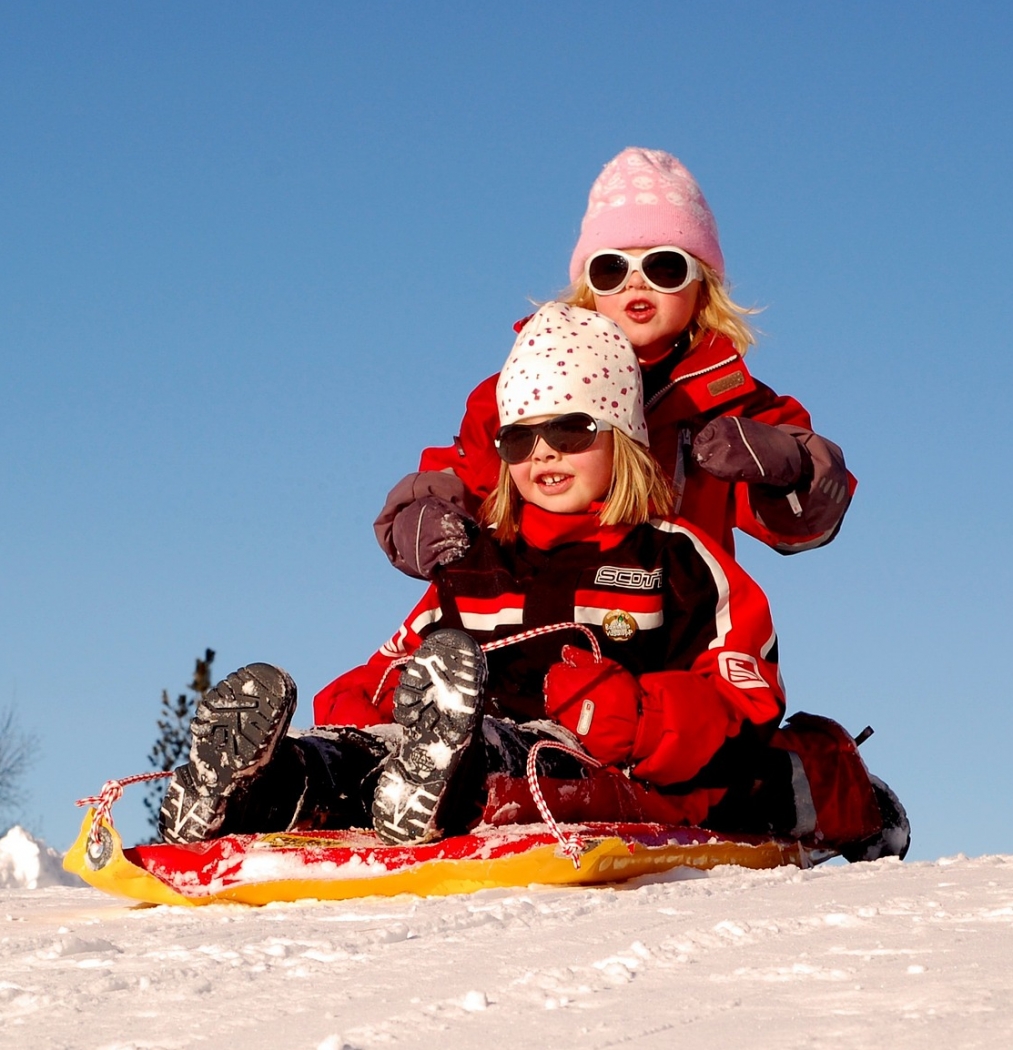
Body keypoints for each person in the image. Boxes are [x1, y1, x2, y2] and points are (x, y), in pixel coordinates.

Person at [160, 304, 907, 861]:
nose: (543, 451)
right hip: (448, 739)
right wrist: (372, 701)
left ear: (621, 441)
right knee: (366, 753)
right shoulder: (479, 562)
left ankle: (435, 781)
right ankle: (266, 785)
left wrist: (635, 714)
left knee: (515, 763)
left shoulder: (675, 559)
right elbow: (390, 662)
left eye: (572, 430)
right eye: (520, 437)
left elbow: (744, 706)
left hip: (591, 761)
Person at [375, 147, 855, 582]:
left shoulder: (734, 403)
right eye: (612, 268)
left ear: (702, 284)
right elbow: (468, 472)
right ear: (590, 286)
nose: (636, 283)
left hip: (677, 617)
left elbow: (804, 525)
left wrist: (787, 468)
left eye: (665, 266)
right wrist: (423, 514)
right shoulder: (529, 387)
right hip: (544, 607)